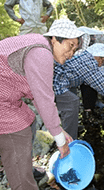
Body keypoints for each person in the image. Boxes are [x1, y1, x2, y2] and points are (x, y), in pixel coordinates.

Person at [0, 18, 86, 190]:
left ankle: (22, 164)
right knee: (18, 134)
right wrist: (60, 140)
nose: (71, 53)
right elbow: (44, 98)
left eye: (75, 49)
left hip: (7, 94)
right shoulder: (41, 53)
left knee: (29, 118)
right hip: (3, 100)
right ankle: (21, 177)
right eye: (70, 46)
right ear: (54, 38)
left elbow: (35, 94)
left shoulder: (39, 46)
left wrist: (58, 129)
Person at [53, 43, 104, 139]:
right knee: (73, 102)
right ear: (97, 56)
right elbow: (101, 84)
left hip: (66, 81)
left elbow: (99, 76)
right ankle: (69, 140)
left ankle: (73, 124)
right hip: (56, 83)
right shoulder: (88, 62)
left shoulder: (86, 58)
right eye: (102, 60)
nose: (102, 63)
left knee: (80, 91)